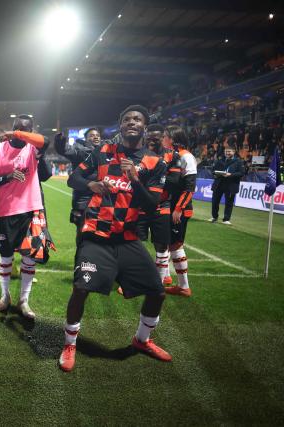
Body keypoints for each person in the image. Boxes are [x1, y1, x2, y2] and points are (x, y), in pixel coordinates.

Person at [59, 105, 171, 372]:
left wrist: (134, 179)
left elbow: (152, 205)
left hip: (128, 237)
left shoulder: (155, 163)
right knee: (81, 288)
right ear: (120, 126)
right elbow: (73, 178)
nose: (132, 122)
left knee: (157, 292)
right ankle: (69, 343)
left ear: (144, 127)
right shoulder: (102, 152)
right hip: (96, 235)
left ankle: (142, 340)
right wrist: (91, 184)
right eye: (127, 119)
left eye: (137, 119)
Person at [0, 115, 53, 319]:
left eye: (26, 130)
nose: (22, 133)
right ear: (12, 128)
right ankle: (5, 297)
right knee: (5, 257)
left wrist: (20, 135)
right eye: (18, 129)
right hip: (6, 211)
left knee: (29, 258)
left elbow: (45, 141)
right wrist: (7, 177)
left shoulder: (33, 148)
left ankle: (24, 301)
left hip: (32, 210)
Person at [134, 124, 181, 286]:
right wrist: (158, 177)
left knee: (161, 245)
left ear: (163, 138)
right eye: (149, 138)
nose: (152, 141)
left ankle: (158, 282)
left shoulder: (173, 156)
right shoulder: (139, 154)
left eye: (156, 138)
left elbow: (174, 182)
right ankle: (134, 280)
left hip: (162, 206)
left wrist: (151, 178)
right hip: (139, 206)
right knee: (135, 244)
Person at [55, 128, 101, 263]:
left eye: (98, 135)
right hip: (83, 198)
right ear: (86, 138)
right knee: (82, 232)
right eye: (92, 135)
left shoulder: (107, 150)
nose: (96, 137)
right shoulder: (79, 150)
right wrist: (59, 142)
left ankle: (99, 263)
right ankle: (80, 263)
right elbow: (63, 150)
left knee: (102, 233)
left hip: (103, 198)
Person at [164, 125, 197, 297]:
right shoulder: (171, 155)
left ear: (172, 138)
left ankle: (184, 286)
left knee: (175, 245)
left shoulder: (186, 156)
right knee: (167, 243)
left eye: (165, 136)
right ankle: (167, 277)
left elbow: (190, 187)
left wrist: (178, 208)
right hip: (170, 207)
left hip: (179, 209)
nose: (163, 138)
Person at [210, 146, 244, 225]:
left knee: (229, 203)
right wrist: (215, 174)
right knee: (215, 201)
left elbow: (241, 173)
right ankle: (214, 217)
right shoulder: (220, 160)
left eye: (229, 151)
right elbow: (213, 170)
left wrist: (230, 175)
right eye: (226, 151)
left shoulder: (238, 162)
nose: (227, 153)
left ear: (234, 152)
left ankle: (226, 219)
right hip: (219, 184)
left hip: (230, 185)